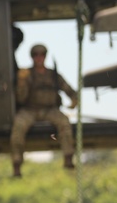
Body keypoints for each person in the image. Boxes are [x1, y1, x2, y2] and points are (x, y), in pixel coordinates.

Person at [10, 43, 79, 177]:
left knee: (64, 123)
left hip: (50, 110)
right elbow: (20, 98)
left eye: (42, 55)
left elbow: (68, 89)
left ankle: (68, 157)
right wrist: (22, 83)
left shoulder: (53, 75)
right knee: (18, 127)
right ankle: (17, 164)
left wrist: (74, 100)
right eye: (36, 55)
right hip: (30, 110)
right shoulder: (27, 74)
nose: (39, 58)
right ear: (32, 57)